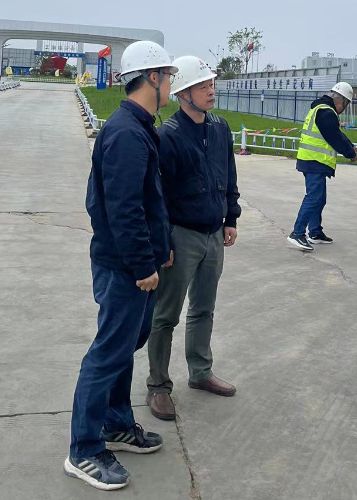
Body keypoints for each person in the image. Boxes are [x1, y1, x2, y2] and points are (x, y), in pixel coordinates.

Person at [64, 41, 178, 491]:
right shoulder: (127, 133)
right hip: (124, 267)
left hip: (137, 261)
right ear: (152, 77)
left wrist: (160, 248)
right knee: (108, 352)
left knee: (125, 345)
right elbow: (122, 207)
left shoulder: (139, 126)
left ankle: (115, 424)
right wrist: (142, 264)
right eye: (168, 75)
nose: (171, 83)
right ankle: (84, 449)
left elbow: (149, 200)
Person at [146, 55, 241, 421]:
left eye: (211, 84)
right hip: (181, 236)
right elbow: (158, 195)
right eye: (203, 86)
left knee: (204, 308)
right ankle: (158, 385)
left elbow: (228, 174)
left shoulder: (220, 128)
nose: (211, 91)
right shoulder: (168, 136)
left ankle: (200, 372)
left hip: (213, 233)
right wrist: (164, 242)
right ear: (183, 93)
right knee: (165, 315)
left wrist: (230, 217)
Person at [287, 82, 357, 251]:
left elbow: (336, 133)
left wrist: (350, 146)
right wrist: (351, 153)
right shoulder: (326, 112)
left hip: (312, 160)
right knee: (313, 198)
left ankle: (315, 232)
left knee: (319, 198)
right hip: (314, 161)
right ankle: (297, 233)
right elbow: (334, 137)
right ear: (340, 101)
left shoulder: (321, 109)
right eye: (346, 104)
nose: (344, 109)